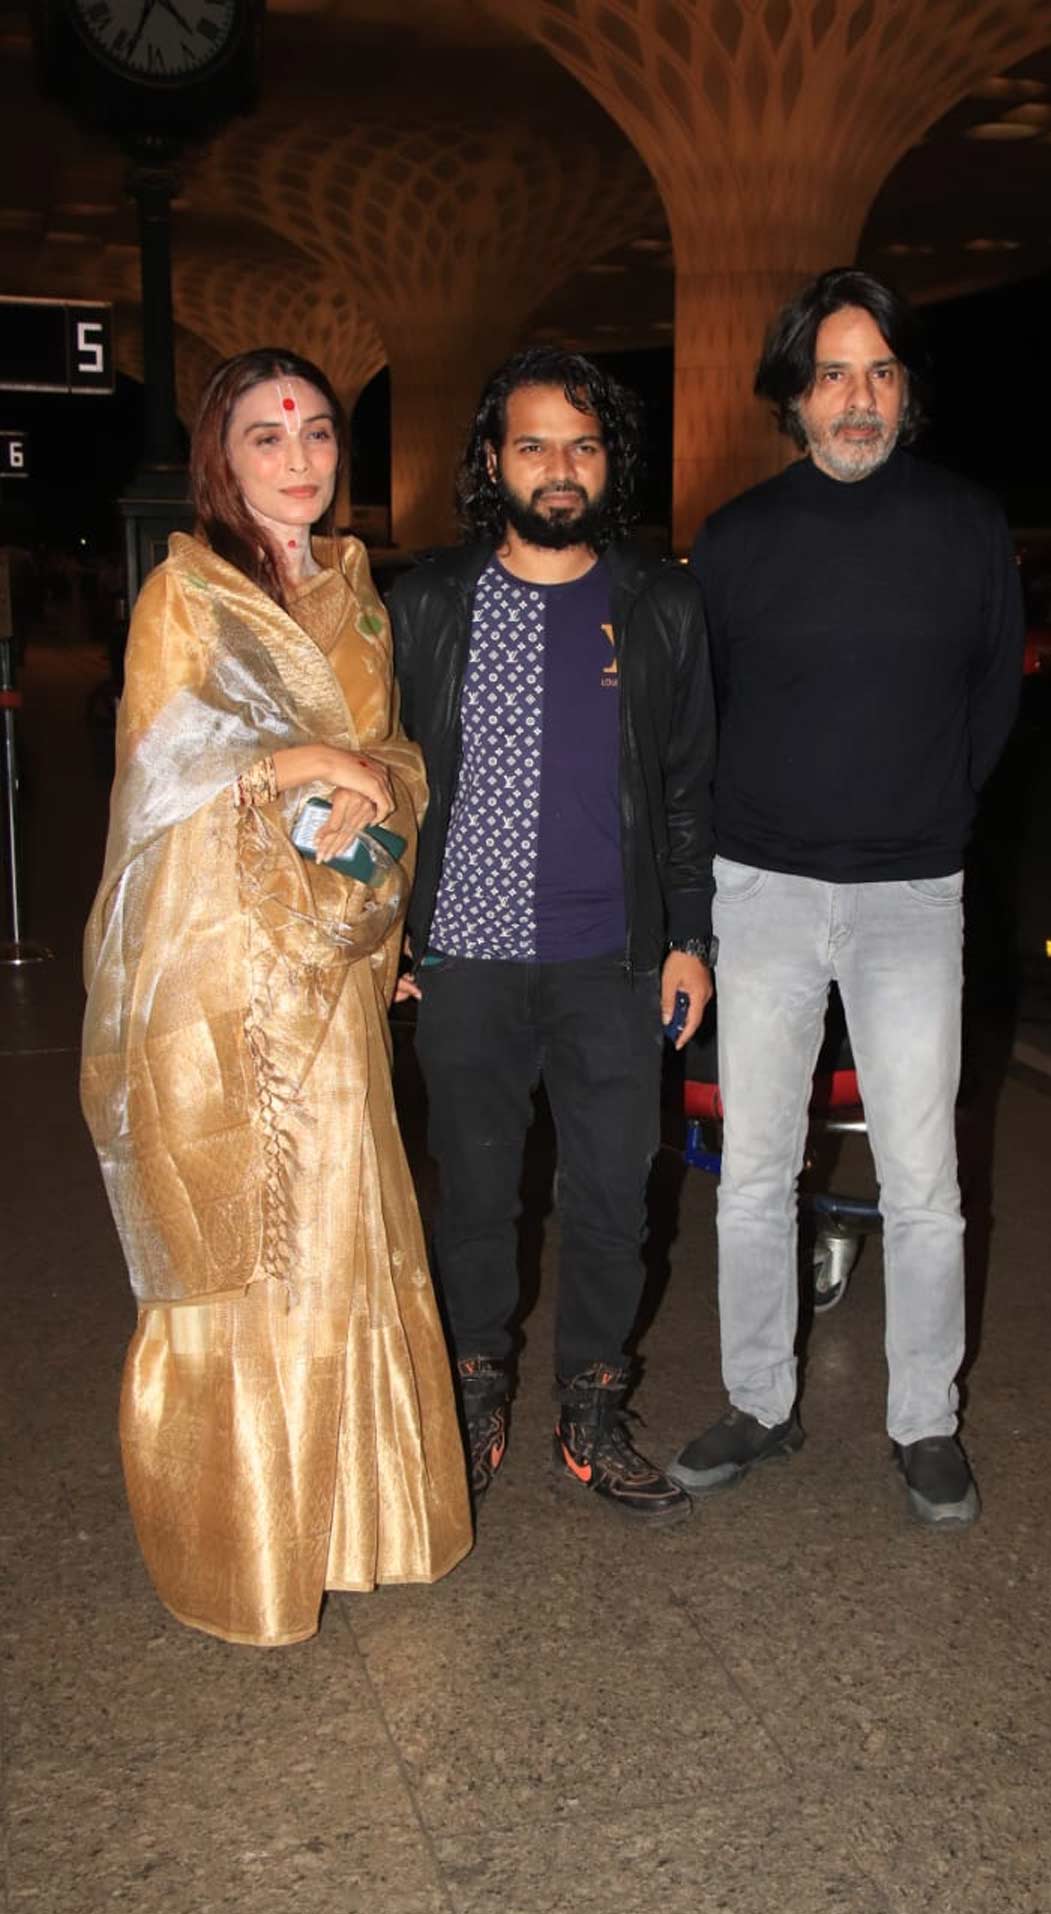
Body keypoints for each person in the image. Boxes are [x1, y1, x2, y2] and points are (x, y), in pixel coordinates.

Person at [81, 348, 471, 1645]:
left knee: (347, 1230)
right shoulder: (184, 593)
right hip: (227, 973)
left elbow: (399, 755)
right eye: (264, 435)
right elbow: (155, 770)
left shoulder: (359, 593)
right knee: (251, 1239)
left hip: (338, 961)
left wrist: (381, 857)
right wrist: (291, 755)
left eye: (313, 431)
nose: (297, 456)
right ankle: (250, 1543)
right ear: (220, 459)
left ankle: (356, 1520)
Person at [669, 269, 1024, 1526]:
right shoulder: (736, 538)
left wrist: (924, 816)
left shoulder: (969, 526)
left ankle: (925, 1419)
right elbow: (698, 718)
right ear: (794, 395)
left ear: (905, 391)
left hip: (910, 898)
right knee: (756, 1170)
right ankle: (757, 1402)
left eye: (878, 372)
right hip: (760, 889)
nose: (856, 398)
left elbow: (992, 700)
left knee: (924, 1180)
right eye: (831, 373)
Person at [389, 347, 715, 1527]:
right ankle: (473, 1396)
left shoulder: (659, 603)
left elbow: (686, 787)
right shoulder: (425, 603)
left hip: (611, 958)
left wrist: (688, 934)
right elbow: (386, 778)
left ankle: (590, 1400)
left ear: (607, 461)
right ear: (492, 461)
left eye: (581, 444)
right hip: (465, 959)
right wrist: (390, 931)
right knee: (474, 1193)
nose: (559, 467)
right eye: (533, 444)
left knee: (612, 1198)